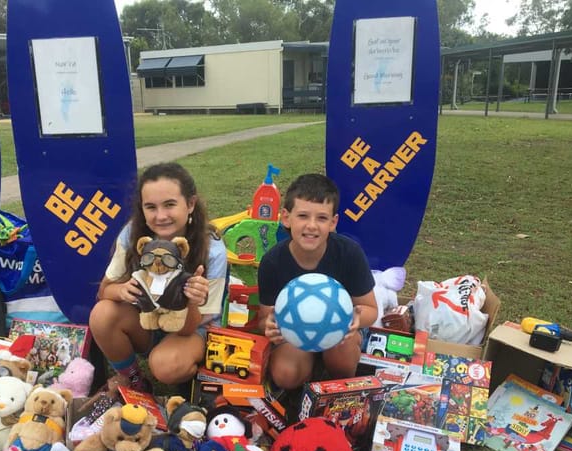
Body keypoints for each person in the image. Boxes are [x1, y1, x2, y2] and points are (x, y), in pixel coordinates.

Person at [89, 163, 227, 392]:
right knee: (102, 314)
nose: (161, 216)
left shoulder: (212, 249)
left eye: (170, 205)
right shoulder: (132, 234)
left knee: (165, 366)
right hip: (148, 320)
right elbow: (104, 291)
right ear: (141, 209)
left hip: (192, 328)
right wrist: (121, 291)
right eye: (151, 207)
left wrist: (191, 301)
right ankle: (133, 379)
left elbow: (194, 324)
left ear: (190, 204)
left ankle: (194, 377)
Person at [257, 173, 378, 392]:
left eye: (322, 218)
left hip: (341, 335)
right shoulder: (272, 261)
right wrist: (270, 327)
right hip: (295, 336)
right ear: (286, 217)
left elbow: (371, 310)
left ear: (333, 223)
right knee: (285, 375)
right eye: (303, 216)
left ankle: (332, 372)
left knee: (341, 360)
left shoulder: (349, 253)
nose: (311, 226)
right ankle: (309, 368)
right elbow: (265, 317)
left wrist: (355, 319)